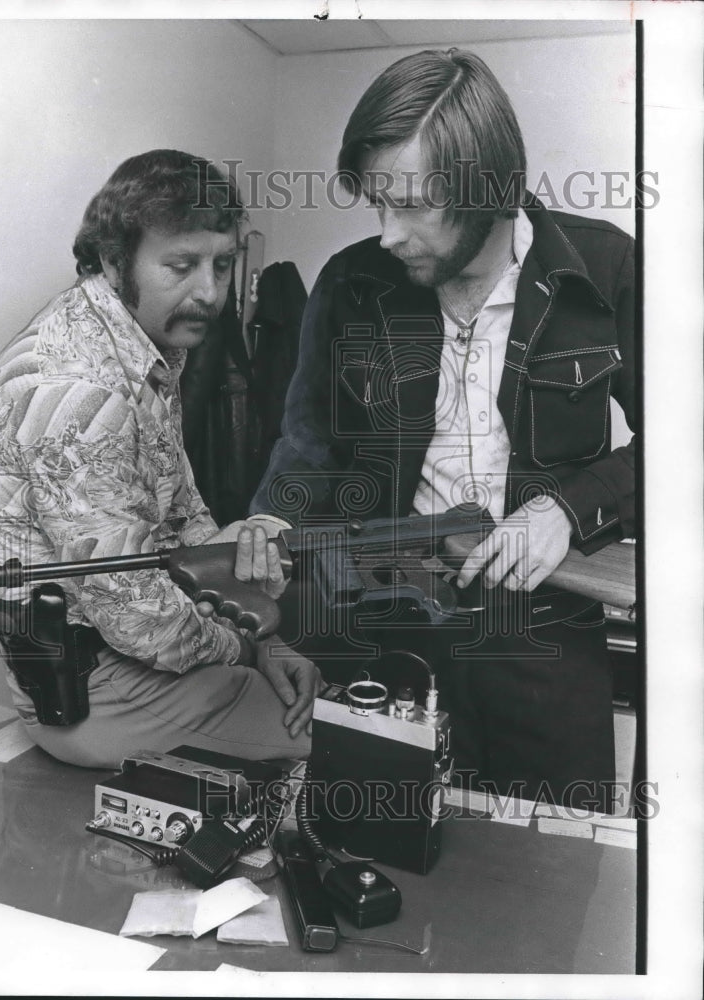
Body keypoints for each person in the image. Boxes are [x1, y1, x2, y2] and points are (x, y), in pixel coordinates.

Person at [252, 50, 635, 813]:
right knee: (381, 856)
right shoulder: (349, 282)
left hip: (547, 641)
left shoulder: (610, 269)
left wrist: (566, 508)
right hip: (389, 631)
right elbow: (308, 441)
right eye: (375, 203)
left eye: (412, 205)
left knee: (546, 892)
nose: (388, 233)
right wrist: (271, 516)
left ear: (491, 188)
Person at [0, 149, 321, 770]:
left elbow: (183, 520)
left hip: (134, 652)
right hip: (96, 691)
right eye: (181, 266)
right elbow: (140, 620)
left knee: (327, 702)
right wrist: (249, 646)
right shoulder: (81, 392)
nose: (209, 293)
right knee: (349, 749)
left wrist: (260, 628)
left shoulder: (139, 343)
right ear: (112, 258)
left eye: (222, 264)